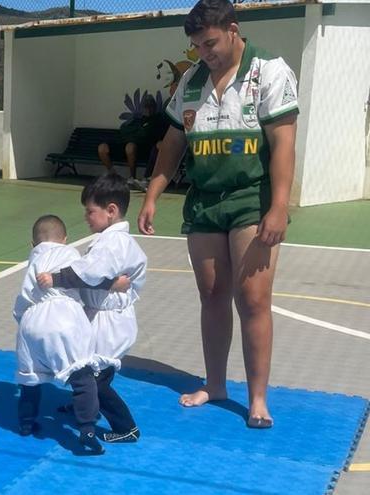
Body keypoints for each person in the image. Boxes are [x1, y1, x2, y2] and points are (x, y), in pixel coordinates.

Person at [136, 0, 298, 429]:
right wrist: (153, 192)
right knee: (211, 295)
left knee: (252, 299)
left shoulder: (271, 71)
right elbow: (172, 145)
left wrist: (279, 207)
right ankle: (216, 384)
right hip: (205, 201)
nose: (204, 53)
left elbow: (283, 145)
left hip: (250, 198)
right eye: (196, 46)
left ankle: (258, 398)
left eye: (209, 43)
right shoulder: (191, 81)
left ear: (232, 29)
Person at [38, 173, 147, 444]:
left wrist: (56, 278)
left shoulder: (115, 243)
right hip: (98, 315)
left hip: (112, 322)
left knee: (96, 379)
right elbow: (99, 276)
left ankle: (126, 427)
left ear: (111, 211)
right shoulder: (108, 241)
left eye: (90, 212)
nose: (86, 218)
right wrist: (111, 283)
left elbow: (89, 273)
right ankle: (81, 405)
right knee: (80, 365)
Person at [97, 95, 168, 190]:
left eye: (150, 106)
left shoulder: (157, 120)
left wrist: (135, 133)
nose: (147, 109)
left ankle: (132, 177)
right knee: (102, 148)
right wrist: (134, 133)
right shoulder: (136, 120)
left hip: (141, 148)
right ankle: (112, 174)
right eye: (145, 106)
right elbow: (124, 130)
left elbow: (145, 134)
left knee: (130, 147)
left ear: (154, 108)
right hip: (123, 143)